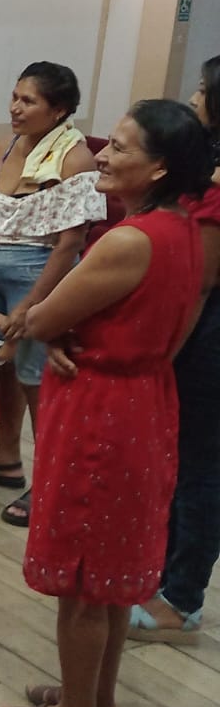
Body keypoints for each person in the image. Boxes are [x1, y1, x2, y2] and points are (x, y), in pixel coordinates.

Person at [0, 100, 211, 707]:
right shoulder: (186, 230)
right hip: (145, 397)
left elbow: (41, 316)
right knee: (114, 571)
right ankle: (95, 699)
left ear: (159, 167)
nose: (103, 156)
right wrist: (66, 331)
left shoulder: (128, 240)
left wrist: (53, 329)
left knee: (85, 574)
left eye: (119, 147)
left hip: (101, 412)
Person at [0, 63, 103, 527]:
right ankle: (8, 459)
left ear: (59, 111)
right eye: (15, 97)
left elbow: (70, 243)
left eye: (28, 101)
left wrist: (32, 304)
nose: (15, 107)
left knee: (39, 380)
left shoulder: (74, 158)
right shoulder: (4, 145)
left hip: (38, 270)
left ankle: (50, 483)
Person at [131, 58, 220, 643]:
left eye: (204, 90)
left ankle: (181, 598)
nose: (193, 96)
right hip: (198, 332)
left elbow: (200, 285)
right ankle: (161, 579)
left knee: (201, 469)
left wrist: (164, 354)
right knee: (183, 463)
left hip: (207, 339)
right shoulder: (206, 172)